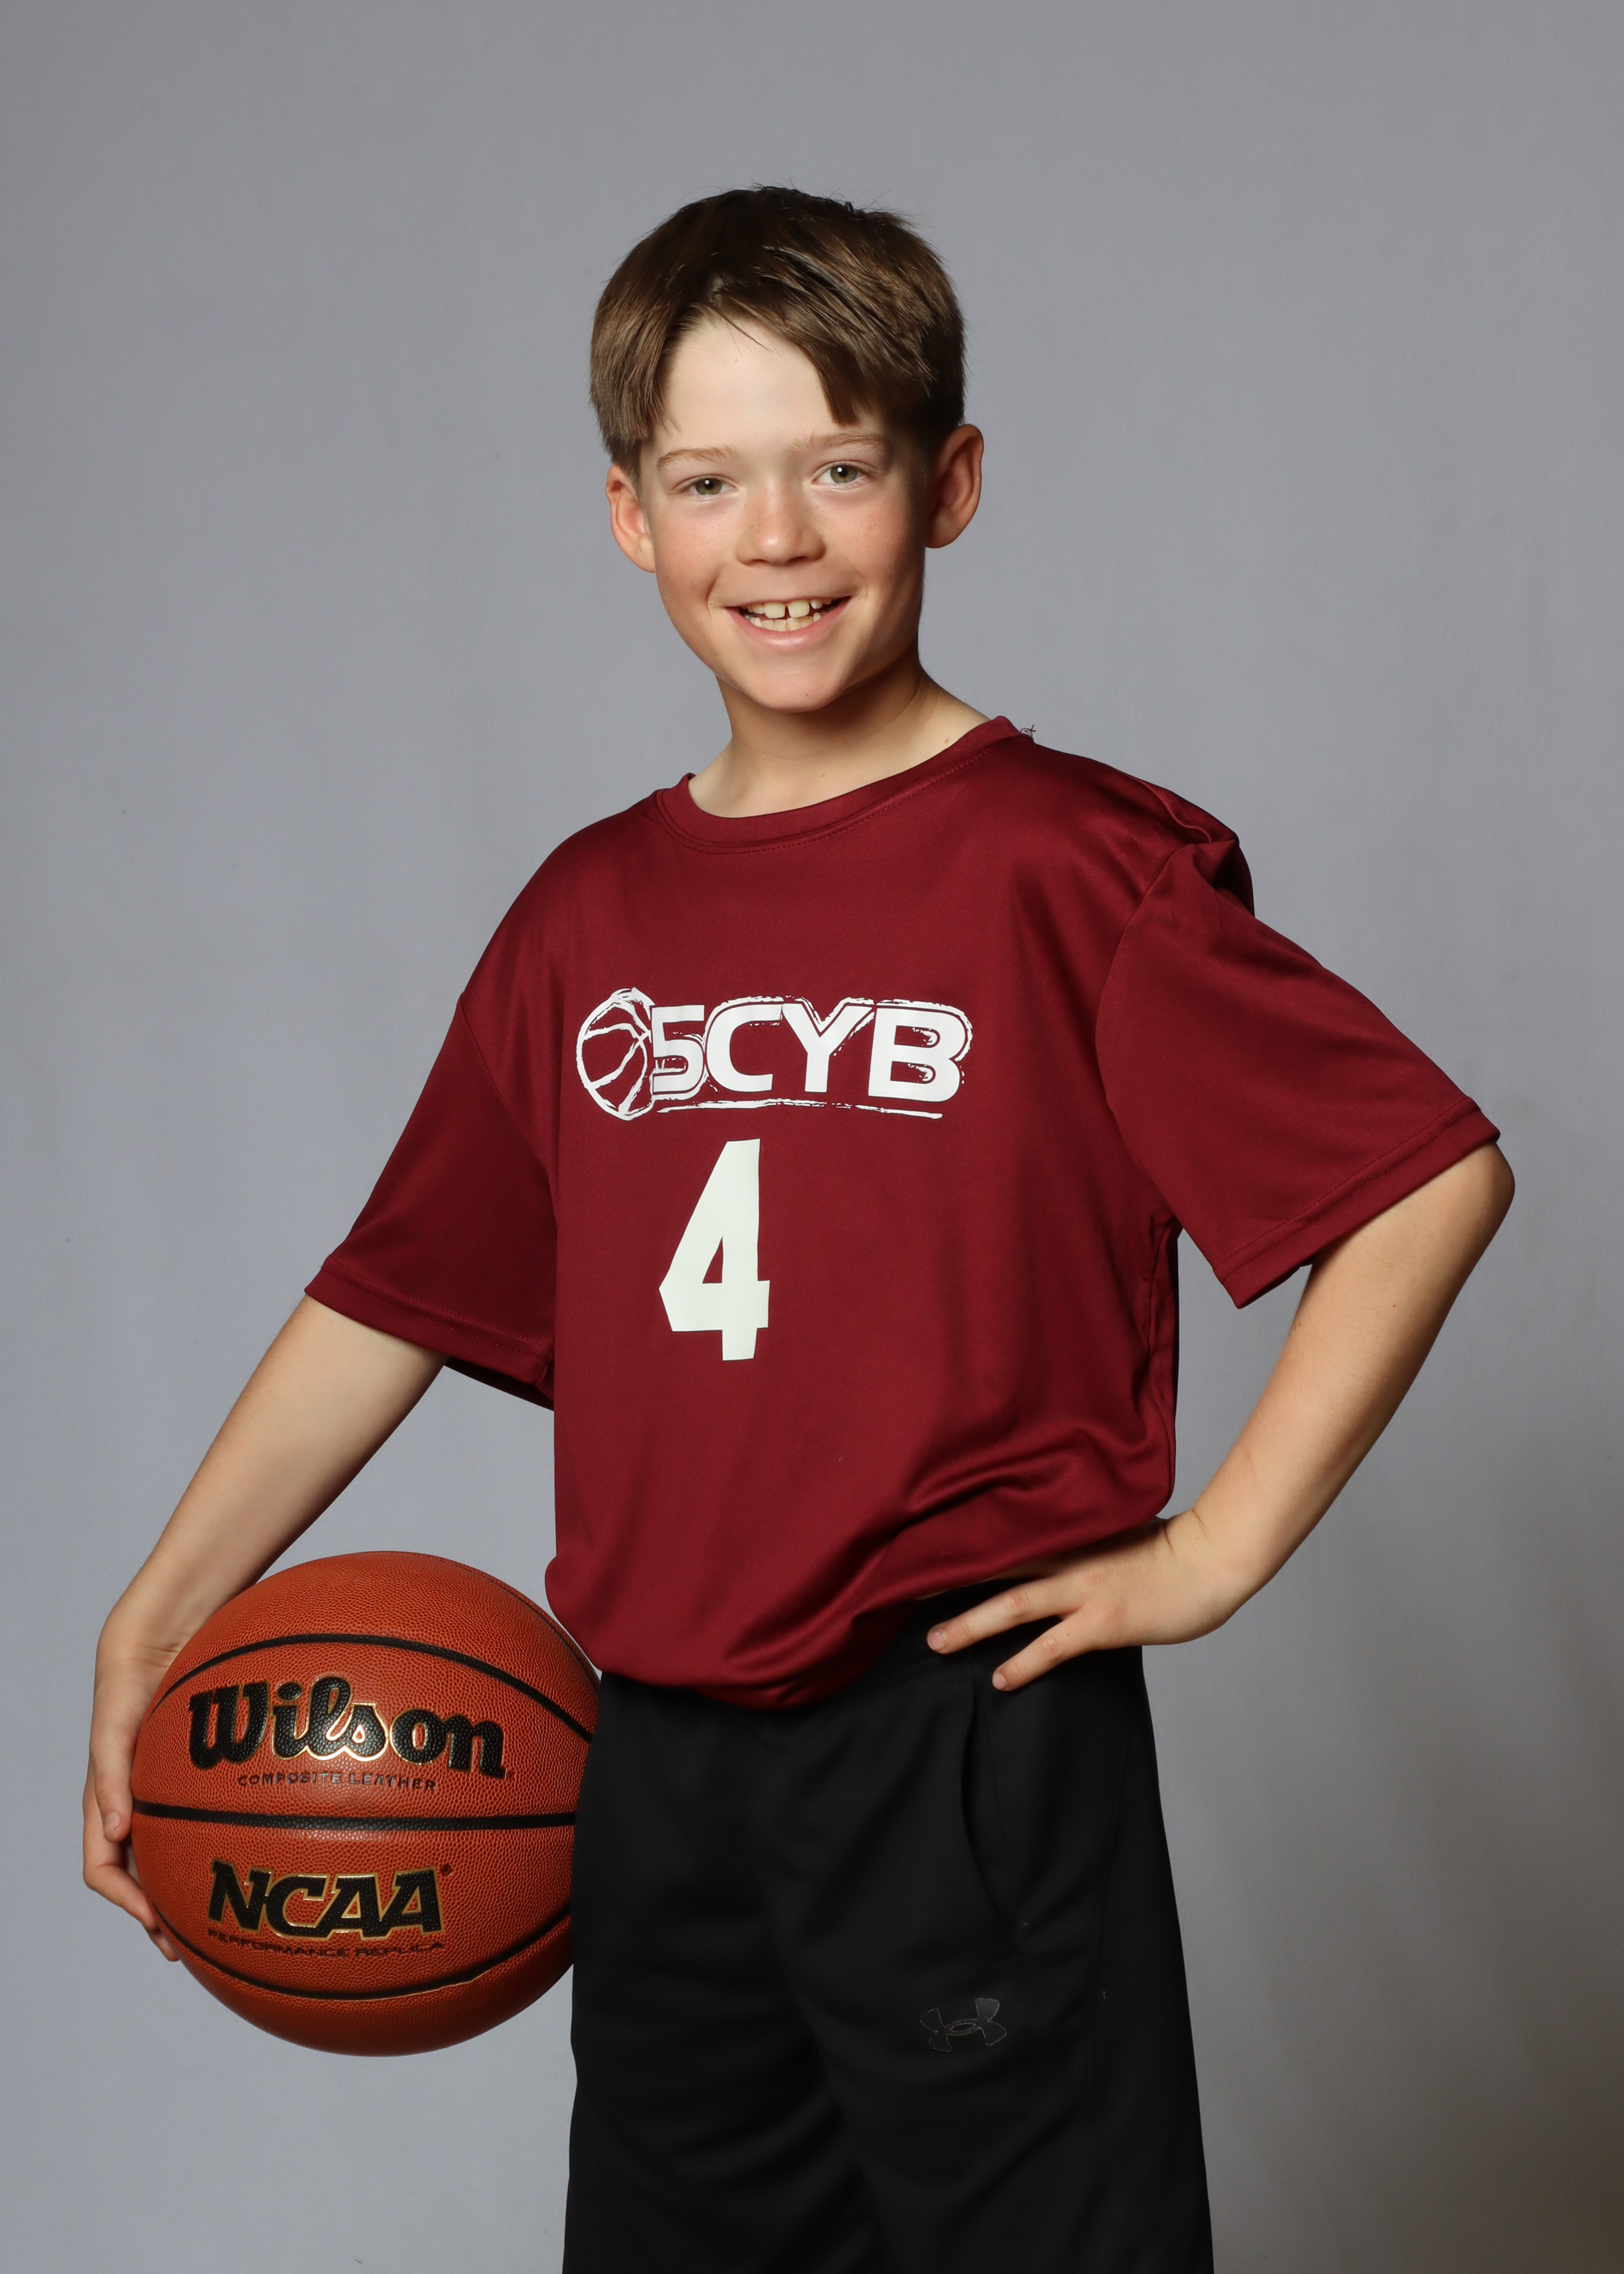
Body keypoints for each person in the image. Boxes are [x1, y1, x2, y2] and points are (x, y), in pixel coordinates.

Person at [84, 187, 1513, 2272]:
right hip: (653, 1755)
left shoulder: (1069, 869)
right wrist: (162, 1603)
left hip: (959, 1736)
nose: (774, 535)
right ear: (627, 516)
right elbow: (393, 1292)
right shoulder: (587, 912)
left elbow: (1421, 1176)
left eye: (838, 467)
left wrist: (1214, 1549)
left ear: (948, 484)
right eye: (708, 481)